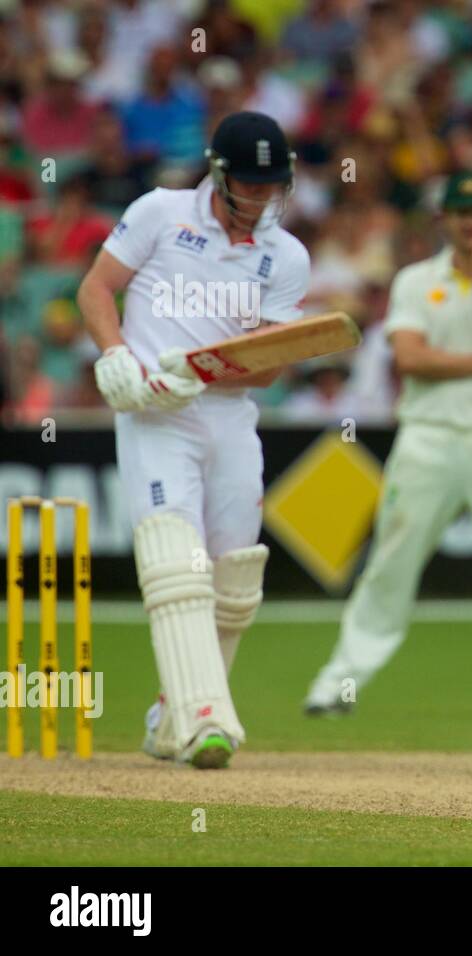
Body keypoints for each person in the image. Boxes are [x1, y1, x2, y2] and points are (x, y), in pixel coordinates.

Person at [77, 111, 310, 768]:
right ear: (218, 173)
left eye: (273, 186)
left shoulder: (286, 255)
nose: (262, 198)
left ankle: (167, 713)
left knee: (235, 578)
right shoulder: (161, 211)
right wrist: (118, 357)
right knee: (176, 563)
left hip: (230, 417)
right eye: (250, 185)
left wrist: (200, 368)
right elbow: (96, 288)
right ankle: (205, 721)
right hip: (156, 415)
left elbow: (268, 363)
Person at [303, 171, 472, 716]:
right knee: (391, 560)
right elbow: (410, 358)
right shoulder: (415, 280)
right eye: (463, 214)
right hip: (427, 436)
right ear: (445, 219)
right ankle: (338, 682)